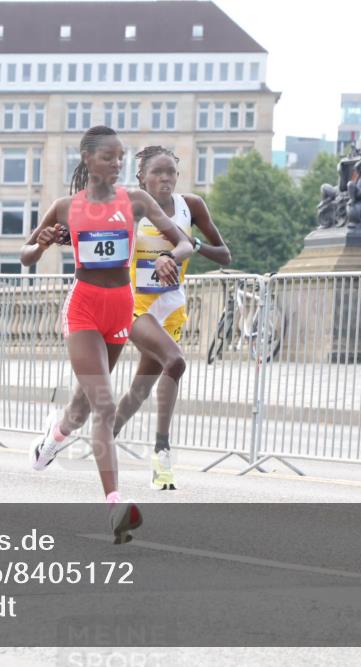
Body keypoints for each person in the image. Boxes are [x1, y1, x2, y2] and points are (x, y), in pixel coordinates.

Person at [21, 126, 193, 544]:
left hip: (119, 308)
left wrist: (171, 257)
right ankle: (115, 505)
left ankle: (53, 438)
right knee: (104, 403)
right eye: (108, 157)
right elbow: (26, 255)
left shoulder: (135, 201)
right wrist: (41, 244)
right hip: (83, 308)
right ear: (87, 159)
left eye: (120, 157)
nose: (117, 164)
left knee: (82, 406)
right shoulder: (66, 207)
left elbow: (185, 242)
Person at [116, 146, 231, 490]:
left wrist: (193, 245)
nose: (165, 178)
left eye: (171, 172)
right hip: (135, 304)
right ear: (141, 177)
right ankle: (162, 451)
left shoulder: (190, 206)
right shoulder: (130, 205)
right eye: (157, 172)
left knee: (140, 388)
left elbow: (224, 255)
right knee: (175, 361)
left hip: (172, 307)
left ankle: (106, 434)